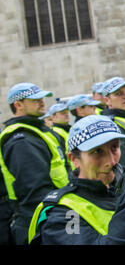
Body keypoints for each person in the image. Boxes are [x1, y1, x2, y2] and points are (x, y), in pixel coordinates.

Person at [28, 115, 125, 245]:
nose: (111, 161)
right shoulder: (63, 212)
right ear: (74, 159)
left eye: (114, 147)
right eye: (97, 151)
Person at [0, 83, 69, 244]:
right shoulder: (21, 139)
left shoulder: (36, 131)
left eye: (42, 98)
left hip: (55, 210)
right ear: (18, 105)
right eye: (35, 99)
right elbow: (34, 190)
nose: (42, 102)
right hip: (41, 218)